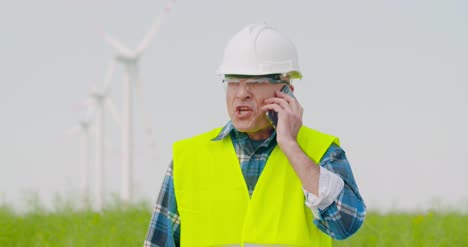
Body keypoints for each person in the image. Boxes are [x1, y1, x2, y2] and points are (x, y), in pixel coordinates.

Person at [144, 23, 366, 247]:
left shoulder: (319, 151)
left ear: (286, 91)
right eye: (233, 82)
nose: (241, 94)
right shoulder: (188, 157)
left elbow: (345, 224)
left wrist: (290, 144)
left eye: (256, 82)